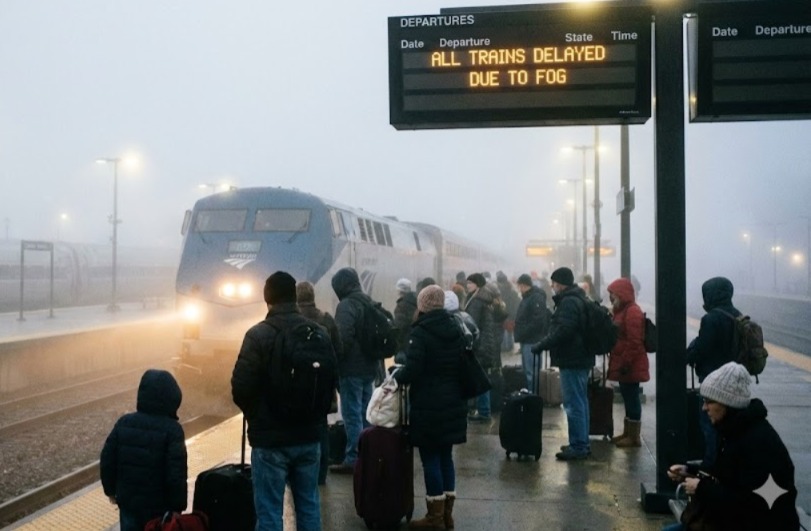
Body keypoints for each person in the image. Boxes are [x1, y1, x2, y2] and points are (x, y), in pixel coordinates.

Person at [232, 271, 332, 530]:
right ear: (294, 298)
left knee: (269, 514)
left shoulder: (257, 335)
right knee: (309, 506)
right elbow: (332, 379)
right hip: (310, 437)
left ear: (267, 299)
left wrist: (259, 416)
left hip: (270, 442)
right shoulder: (318, 332)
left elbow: (241, 388)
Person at [663, 362, 799, 531]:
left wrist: (701, 488)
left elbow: (752, 503)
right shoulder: (734, 429)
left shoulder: (758, 443)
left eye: (709, 401)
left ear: (727, 403)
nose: (704, 408)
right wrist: (690, 471)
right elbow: (726, 474)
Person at [393, 285, 468, 530]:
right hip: (453, 402)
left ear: (423, 305)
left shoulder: (421, 332)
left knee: (431, 459)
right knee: (446, 457)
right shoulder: (456, 327)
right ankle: (447, 515)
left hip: (428, 405)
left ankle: (434, 517)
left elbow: (413, 369)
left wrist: (397, 376)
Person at [100, 369, 187, 531]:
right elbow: (176, 474)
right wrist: (177, 507)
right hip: (158, 509)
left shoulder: (124, 423)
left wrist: (110, 490)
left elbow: (107, 460)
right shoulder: (173, 430)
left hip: (128, 504)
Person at [531, 267, 595, 461]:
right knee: (580, 401)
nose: (552, 287)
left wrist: (542, 344)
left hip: (573, 359)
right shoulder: (577, 299)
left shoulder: (568, 303)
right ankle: (581, 441)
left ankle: (579, 446)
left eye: (554, 283)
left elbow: (564, 331)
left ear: (561, 284)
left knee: (573, 403)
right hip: (580, 358)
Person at [329, 267, 379, 474]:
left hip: (351, 370)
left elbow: (343, 339)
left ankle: (353, 458)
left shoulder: (346, 305)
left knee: (351, 415)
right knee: (366, 413)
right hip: (369, 367)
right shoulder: (368, 302)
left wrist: (335, 359)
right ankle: (369, 455)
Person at [686, 276, 741, 467]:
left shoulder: (712, 318)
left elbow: (703, 348)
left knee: (710, 427)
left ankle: (711, 468)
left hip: (714, 383)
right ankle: (728, 465)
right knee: (730, 429)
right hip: (735, 382)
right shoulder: (737, 315)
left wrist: (689, 355)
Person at [296, 280, 341, 486]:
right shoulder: (326, 320)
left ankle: (299, 474)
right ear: (313, 297)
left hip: (297, 384)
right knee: (321, 428)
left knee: (297, 430)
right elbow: (338, 351)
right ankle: (321, 475)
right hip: (323, 384)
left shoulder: (292, 322)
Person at [605, 277, 649, 448]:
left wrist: (625, 363)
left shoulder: (632, 312)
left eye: (613, 294)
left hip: (631, 364)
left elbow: (634, 342)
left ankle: (634, 437)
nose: (611, 297)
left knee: (632, 399)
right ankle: (627, 432)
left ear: (621, 294)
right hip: (626, 362)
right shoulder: (622, 310)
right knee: (627, 396)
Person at [463, 273, 499, 422]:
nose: (467, 285)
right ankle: (483, 410)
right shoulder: (484, 298)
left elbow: (472, 323)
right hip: (486, 342)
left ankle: (484, 412)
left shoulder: (477, 301)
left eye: (470, 283)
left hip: (481, 344)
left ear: (477, 284)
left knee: (480, 378)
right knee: (482, 377)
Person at [514, 273, 549, 390]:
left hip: (532, 340)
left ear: (524, 285)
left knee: (531, 372)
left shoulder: (535, 298)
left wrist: (523, 332)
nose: (519, 289)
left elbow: (537, 320)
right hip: (527, 339)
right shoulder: (528, 297)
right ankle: (531, 395)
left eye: (519, 286)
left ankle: (533, 397)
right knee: (529, 371)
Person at [393, 277, 418, 364]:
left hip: (404, 347)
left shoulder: (401, 306)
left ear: (400, 291)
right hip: (416, 344)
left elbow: (399, 328)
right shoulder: (418, 302)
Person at [496, 271, 520, 353]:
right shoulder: (512, 290)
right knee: (508, 331)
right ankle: (509, 347)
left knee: (505, 331)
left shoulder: (498, 291)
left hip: (503, 314)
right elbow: (517, 302)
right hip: (510, 314)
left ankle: (505, 348)